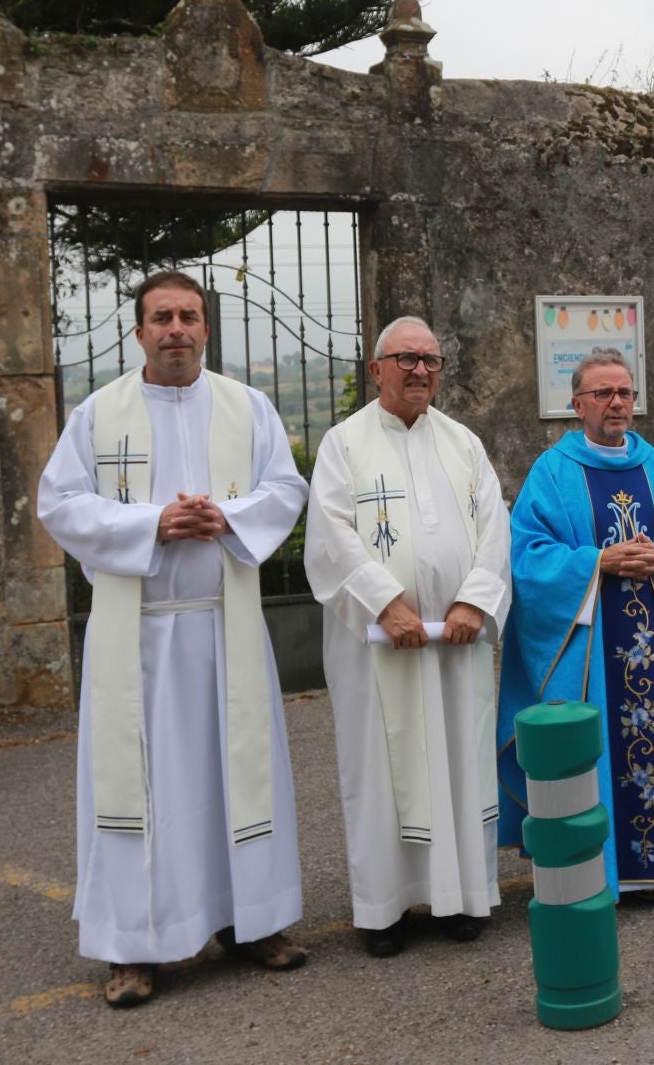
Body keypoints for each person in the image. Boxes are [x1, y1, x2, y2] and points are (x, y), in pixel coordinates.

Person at [36, 270, 310, 1008]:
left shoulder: (247, 406)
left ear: (206, 329)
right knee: (144, 793)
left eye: (189, 316)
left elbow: (285, 489)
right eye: (162, 318)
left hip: (225, 630)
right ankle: (134, 948)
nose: (177, 329)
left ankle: (251, 923)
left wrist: (228, 517)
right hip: (140, 642)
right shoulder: (99, 413)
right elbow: (58, 503)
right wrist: (151, 523)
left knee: (235, 779)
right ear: (139, 332)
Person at [304, 316, 512, 955]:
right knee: (379, 767)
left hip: (455, 643)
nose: (420, 370)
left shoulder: (463, 442)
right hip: (378, 645)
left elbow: (495, 528)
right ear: (376, 370)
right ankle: (383, 908)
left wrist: (474, 602)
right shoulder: (344, 444)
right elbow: (331, 533)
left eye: (430, 360)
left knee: (460, 759)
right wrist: (385, 604)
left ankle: (463, 896)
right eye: (406, 359)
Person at [497, 349, 654, 897]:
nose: (616, 402)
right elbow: (526, 554)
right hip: (591, 648)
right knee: (597, 741)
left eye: (624, 393)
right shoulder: (553, 472)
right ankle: (594, 868)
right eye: (603, 393)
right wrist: (596, 562)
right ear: (578, 404)